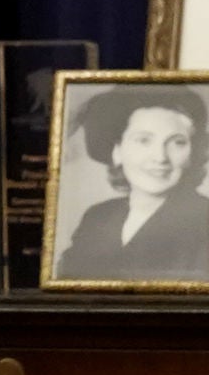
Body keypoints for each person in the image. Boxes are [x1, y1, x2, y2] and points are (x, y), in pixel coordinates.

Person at [54, 85, 209, 282]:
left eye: (177, 142)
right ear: (117, 151)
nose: (160, 157)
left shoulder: (204, 219)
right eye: (143, 140)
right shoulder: (98, 217)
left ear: (192, 154)